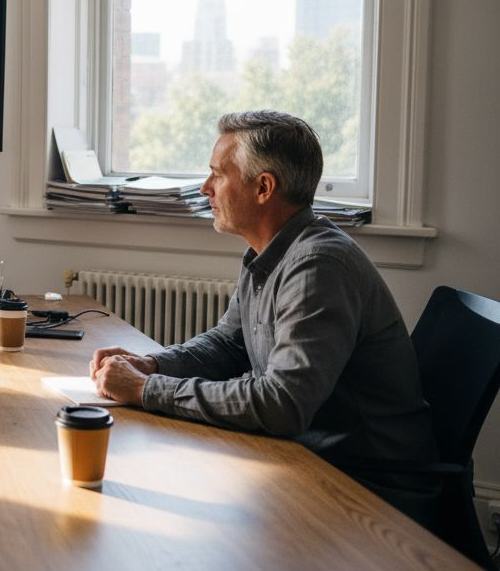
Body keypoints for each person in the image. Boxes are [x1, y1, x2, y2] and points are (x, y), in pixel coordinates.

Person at [89, 110, 438, 524]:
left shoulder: (319, 266)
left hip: (365, 486)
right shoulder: (269, 251)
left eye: (218, 175)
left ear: (263, 187)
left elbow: (281, 405)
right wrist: (152, 364)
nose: (205, 189)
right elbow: (228, 342)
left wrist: (148, 389)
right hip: (312, 455)